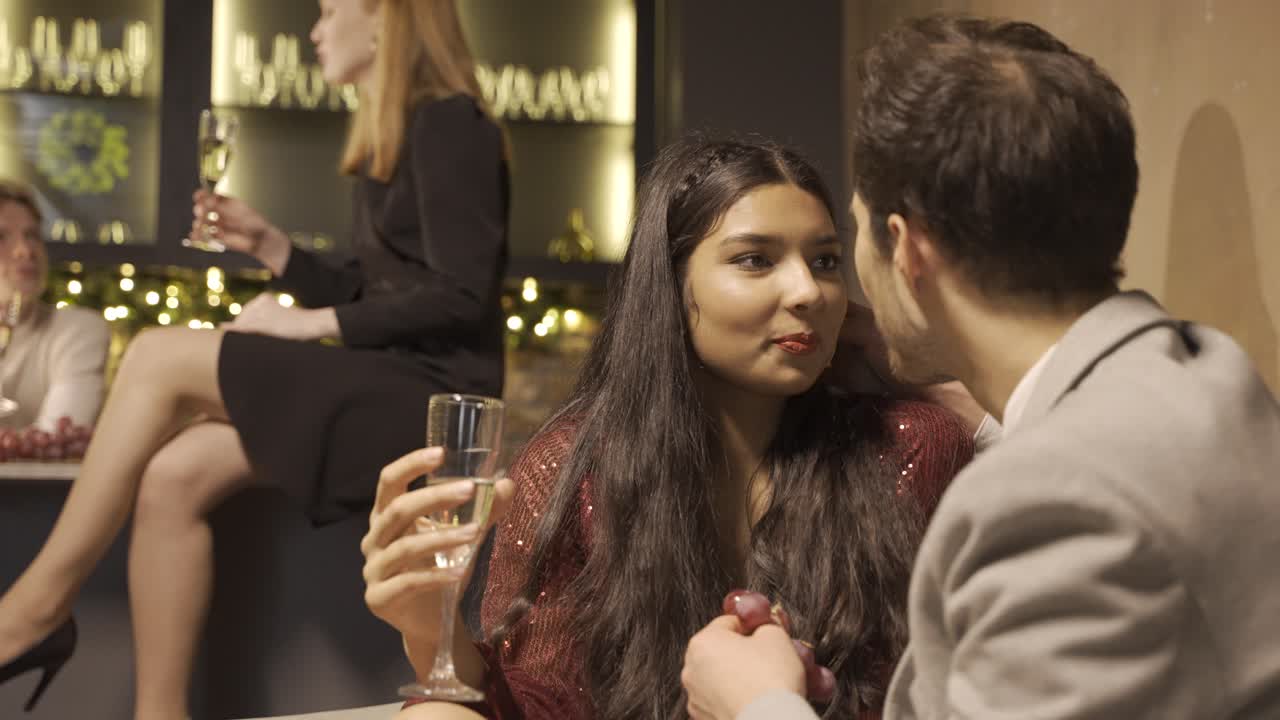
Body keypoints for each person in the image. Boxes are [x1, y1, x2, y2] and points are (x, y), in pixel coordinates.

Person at [680, 14, 1280, 720]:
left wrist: (761, 707)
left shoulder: (1053, 503)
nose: (814, 293)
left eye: (839, 249)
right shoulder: (1212, 375)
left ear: (906, 250)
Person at [0, 1, 509, 717]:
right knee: (173, 476)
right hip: (394, 379)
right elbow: (384, 291)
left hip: (435, 397)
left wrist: (306, 324)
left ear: (386, 19)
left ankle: (34, 608)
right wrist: (273, 249)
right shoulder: (394, 137)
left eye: (331, 10)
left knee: (154, 354)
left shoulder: (451, 121)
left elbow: (459, 296)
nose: (315, 30)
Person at [361, 136, 975, 720]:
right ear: (672, 286)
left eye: (826, 260)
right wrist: (427, 628)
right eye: (755, 259)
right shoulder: (573, 466)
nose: (808, 290)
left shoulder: (910, 446)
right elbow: (540, 705)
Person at [0, 179, 109, 434]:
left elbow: (57, 437)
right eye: (1, 237)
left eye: (32, 236)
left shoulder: (78, 330)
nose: (25, 251)